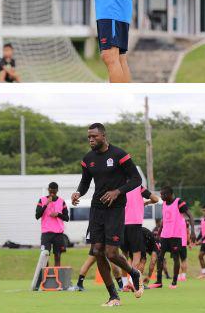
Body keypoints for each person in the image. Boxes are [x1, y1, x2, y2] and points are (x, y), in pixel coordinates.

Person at [70, 123, 144, 305]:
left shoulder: (119, 155)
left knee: (111, 253)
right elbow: (85, 182)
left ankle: (134, 273)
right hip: (97, 208)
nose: (91, 139)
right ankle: (113, 296)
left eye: (94, 136)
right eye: (89, 137)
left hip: (115, 208)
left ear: (103, 136)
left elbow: (136, 179)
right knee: (97, 251)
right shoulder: (88, 159)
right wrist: (78, 193)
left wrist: (117, 192)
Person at [150, 187, 194, 289]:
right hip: (165, 235)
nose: (161, 196)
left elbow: (190, 215)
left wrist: (192, 231)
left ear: (170, 194)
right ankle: (159, 282)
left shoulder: (179, 202)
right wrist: (159, 233)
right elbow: (164, 220)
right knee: (160, 257)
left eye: (163, 194)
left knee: (175, 258)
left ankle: (174, 282)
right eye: (161, 194)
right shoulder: (164, 204)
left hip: (176, 236)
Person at [120, 185, 159, 291]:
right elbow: (155, 199)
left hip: (121, 225)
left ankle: (124, 284)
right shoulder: (138, 187)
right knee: (137, 256)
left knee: (124, 256)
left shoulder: (119, 185)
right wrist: (146, 202)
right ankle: (131, 282)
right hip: (135, 224)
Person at [37, 182, 69, 267]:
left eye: (54, 191)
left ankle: (56, 274)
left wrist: (58, 214)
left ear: (57, 190)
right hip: (46, 233)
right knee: (45, 256)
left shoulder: (61, 201)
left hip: (58, 233)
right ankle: (45, 274)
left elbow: (67, 218)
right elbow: (37, 215)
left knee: (57, 256)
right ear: (48, 190)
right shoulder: (42, 200)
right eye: (50, 191)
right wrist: (46, 204)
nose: (52, 193)